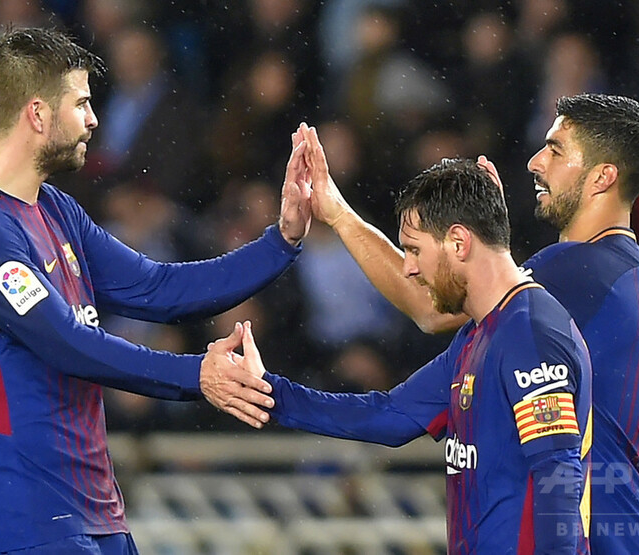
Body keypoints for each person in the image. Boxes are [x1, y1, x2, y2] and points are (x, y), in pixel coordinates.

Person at [0, 27, 311, 554]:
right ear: (38, 114)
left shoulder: (55, 209)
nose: (93, 120)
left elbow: (159, 288)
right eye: (81, 104)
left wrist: (282, 240)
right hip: (27, 523)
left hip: (99, 514)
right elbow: (67, 343)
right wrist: (196, 374)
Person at [302, 93, 639, 552]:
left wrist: (337, 214)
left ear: (603, 177)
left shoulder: (574, 271)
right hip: (634, 527)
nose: (536, 163)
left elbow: (431, 307)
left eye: (556, 150)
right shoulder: (630, 270)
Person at [225, 158, 592, 553]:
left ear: (459, 242)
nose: (410, 270)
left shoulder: (529, 332)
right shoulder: (480, 334)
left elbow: (558, 475)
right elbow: (390, 415)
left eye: (414, 250)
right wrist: (268, 392)